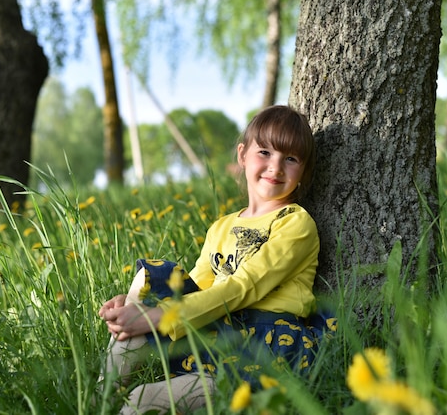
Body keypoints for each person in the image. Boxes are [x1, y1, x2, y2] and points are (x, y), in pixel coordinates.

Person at [99, 105, 334, 414]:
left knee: (142, 399)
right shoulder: (222, 226)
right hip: (216, 330)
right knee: (150, 280)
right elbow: (196, 287)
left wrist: (162, 316)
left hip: (262, 346)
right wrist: (139, 303)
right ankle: (99, 396)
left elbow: (244, 287)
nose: (275, 168)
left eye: (290, 159)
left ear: (302, 171)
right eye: (264, 152)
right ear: (242, 155)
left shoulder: (294, 223)